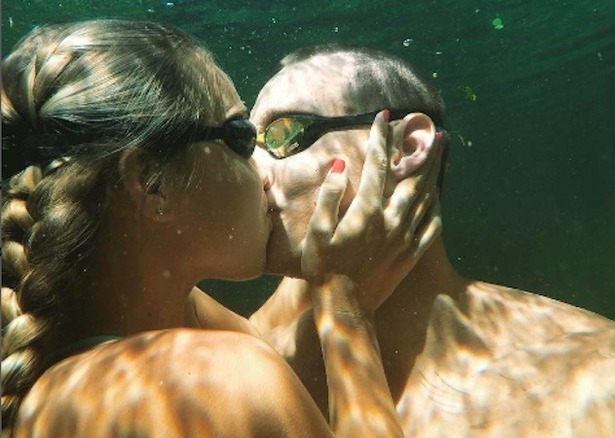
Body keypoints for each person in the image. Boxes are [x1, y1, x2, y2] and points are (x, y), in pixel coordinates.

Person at [188, 44, 615, 436]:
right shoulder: (207, 351)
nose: (251, 170)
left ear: (406, 147)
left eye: (285, 134)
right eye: (248, 144)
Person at [1, 22, 443, 437]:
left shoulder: (75, 336)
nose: (264, 171)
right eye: (240, 136)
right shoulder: (221, 381)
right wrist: (347, 313)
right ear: (153, 183)